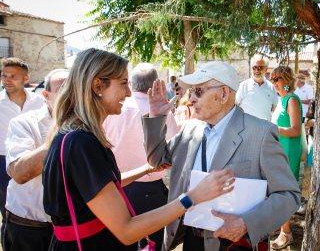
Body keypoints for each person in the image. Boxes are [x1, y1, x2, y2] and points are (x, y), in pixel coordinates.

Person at [42, 48, 235, 251]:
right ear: (98, 85)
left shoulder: (77, 136)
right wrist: (193, 197)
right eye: (124, 83)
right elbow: (127, 231)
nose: (128, 93)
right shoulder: (81, 143)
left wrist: (146, 169)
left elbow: (99, 188)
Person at [143, 61, 301, 251]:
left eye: (198, 91)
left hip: (232, 244)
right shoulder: (190, 129)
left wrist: (246, 223)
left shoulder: (261, 133)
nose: (191, 98)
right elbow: (157, 160)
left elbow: (289, 194)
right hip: (191, 240)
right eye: (191, 92)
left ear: (224, 94)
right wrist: (156, 118)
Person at [103, 63, 179, 251]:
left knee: (117, 243)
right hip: (149, 192)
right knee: (151, 245)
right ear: (155, 85)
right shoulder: (163, 111)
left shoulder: (113, 108)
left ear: (130, 83)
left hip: (114, 188)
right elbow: (173, 152)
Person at [4, 69, 69, 251]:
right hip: (28, 227)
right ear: (46, 95)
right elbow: (20, 173)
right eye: (63, 89)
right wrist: (65, 131)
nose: (70, 94)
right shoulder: (23, 123)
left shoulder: (88, 125)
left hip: (68, 228)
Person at [0, 58, 44, 246]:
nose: (7, 80)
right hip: (3, 162)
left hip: (36, 160)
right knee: (9, 211)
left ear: (25, 78)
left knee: (35, 205)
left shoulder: (40, 100)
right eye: (4, 76)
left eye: (13, 76)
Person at [270, 66, 302, 249]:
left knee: (283, 191)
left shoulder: (292, 99)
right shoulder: (282, 99)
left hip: (288, 151)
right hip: (279, 150)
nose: (273, 82)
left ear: (287, 79)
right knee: (277, 189)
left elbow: (296, 130)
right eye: (272, 79)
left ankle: (286, 233)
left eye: (277, 78)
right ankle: (282, 226)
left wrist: (271, 128)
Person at [236, 54, 279, 121]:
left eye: (260, 67)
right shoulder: (243, 85)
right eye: (254, 67)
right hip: (247, 129)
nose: (257, 70)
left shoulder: (271, 87)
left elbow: (275, 110)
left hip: (265, 129)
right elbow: (234, 106)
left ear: (266, 69)